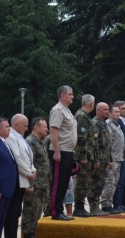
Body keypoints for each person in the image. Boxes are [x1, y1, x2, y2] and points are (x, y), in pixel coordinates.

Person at [4, 114, 34, 238]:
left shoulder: (20, 137)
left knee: (16, 213)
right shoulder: (11, 136)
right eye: (25, 125)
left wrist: (32, 169)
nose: (27, 128)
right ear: (16, 124)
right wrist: (28, 172)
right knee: (11, 213)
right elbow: (17, 159)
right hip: (16, 180)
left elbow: (27, 157)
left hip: (23, 179)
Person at [49, 85, 77, 220]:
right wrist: (57, 152)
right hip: (61, 151)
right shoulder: (58, 110)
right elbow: (54, 131)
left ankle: (60, 211)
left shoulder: (67, 111)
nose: (73, 97)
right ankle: (55, 212)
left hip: (68, 151)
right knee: (58, 183)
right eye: (70, 94)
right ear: (62, 95)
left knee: (64, 183)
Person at [22, 117, 50, 238]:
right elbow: (28, 164)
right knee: (30, 212)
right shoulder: (30, 142)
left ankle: (32, 237)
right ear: (36, 127)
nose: (47, 129)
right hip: (35, 184)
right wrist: (30, 184)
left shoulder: (40, 141)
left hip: (43, 183)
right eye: (44, 127)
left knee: (37, 211)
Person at [73, 94, 96, 218]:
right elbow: (81, 138)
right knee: (82, 181)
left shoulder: (85, 116)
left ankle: (80, 206)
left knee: (85, 181)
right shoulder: (81, 116)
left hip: (88, 154)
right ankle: (78, 207)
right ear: (91, 104)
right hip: (83, 156)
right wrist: (83, 156)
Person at [101, 104, 125, 214]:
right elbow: (108, 143)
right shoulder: (108, 125)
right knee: (109, 182)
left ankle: (110, 203)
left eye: (118, 112)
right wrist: (109, 159)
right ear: (109, 113)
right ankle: (106, 205)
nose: (118, 113)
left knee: (115, 182)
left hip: (118, 158)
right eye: (115, 112)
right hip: (112, 159)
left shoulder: (117, 125)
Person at [88, 102, 111, 216]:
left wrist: (109, 159)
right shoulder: (95, 123)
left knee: (101, 183)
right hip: (98, 159)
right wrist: (95, 160)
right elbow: (94, 144)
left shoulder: (104, 124)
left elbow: (107, 143)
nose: (107, 111)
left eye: (108, 109)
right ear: (97, 110)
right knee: (95, 183)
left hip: (104, 159)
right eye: (105, 109)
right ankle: (93, 206)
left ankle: (96, 205)